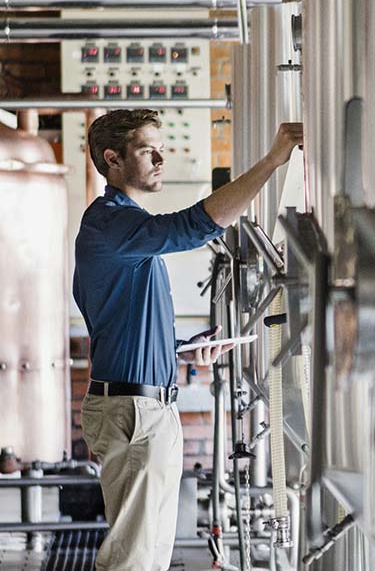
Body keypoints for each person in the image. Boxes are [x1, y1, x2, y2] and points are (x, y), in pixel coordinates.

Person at [74, 109, 303, 571]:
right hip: (135, 413)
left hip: (143, 405)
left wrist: (180, 348)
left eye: (161, 147)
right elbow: (193, 226)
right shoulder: (110, 225)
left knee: (148, 556)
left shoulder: (123, 228)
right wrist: (272, 160)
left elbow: (117, 321)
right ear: (112, 159)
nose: (161, 158)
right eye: (146, 149)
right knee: (132, 560)